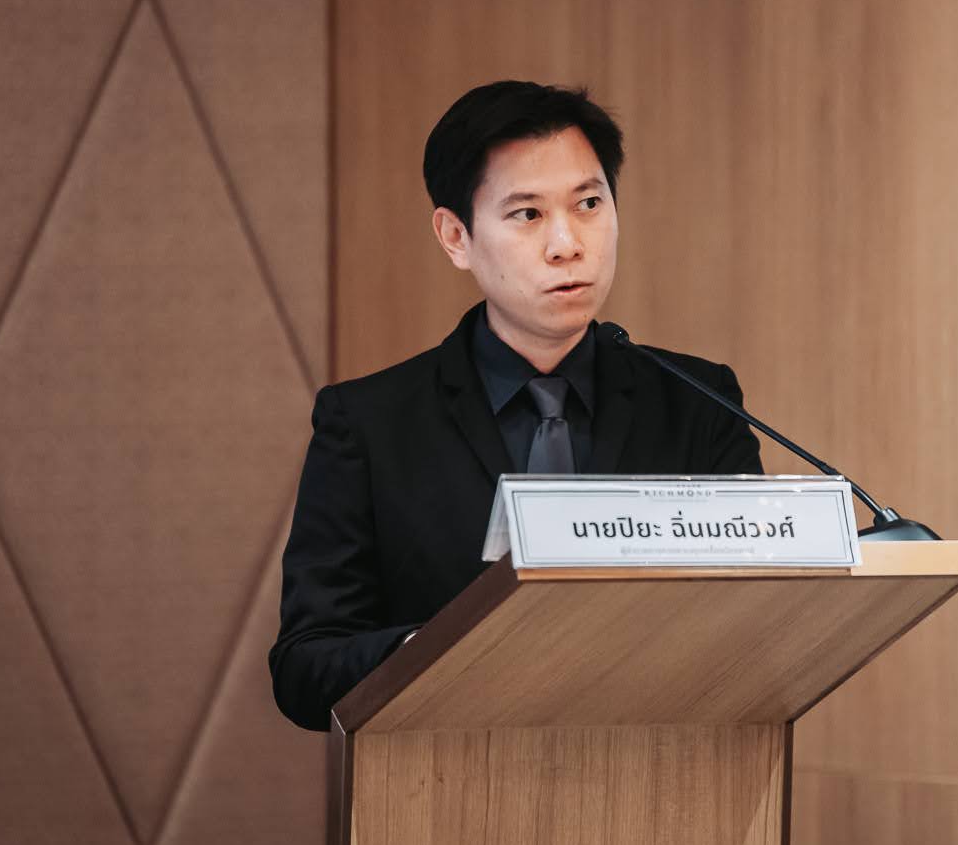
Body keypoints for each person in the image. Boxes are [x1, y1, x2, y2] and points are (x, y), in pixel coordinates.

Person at [268, 81, 764, 730]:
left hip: (666, 768)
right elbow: (305, 667)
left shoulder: (699, 401)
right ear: (456, 236)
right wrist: (435, 657)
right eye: (528, 214)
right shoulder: (369, 424)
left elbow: (755, 617)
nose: (567, 243)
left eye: (589, 203)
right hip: (445, 776)